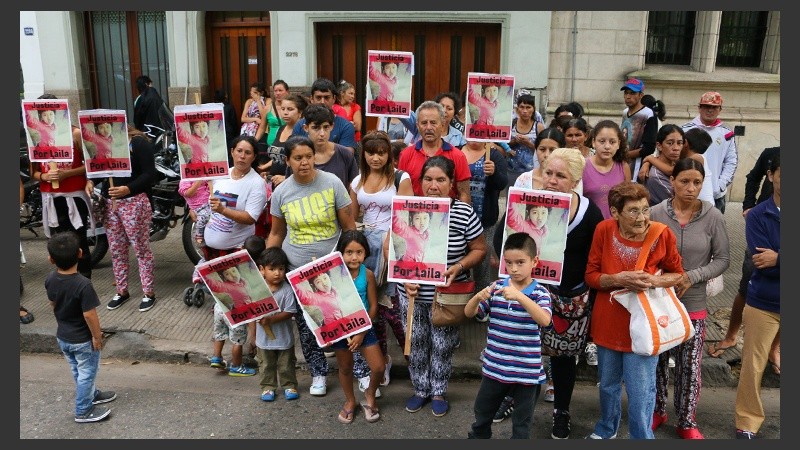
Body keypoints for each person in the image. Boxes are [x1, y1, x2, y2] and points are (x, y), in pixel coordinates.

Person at [493, 148, 605, 438]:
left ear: (576, 180)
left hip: (569, 299)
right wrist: (515, 274)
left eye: (561, 176)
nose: (552, 180)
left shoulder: (588, 212)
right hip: (528, 292)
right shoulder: (524, 203)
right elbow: (501, 238)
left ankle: (562, 411)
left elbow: (598, 253)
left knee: (563, 358)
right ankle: (510, 398)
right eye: (548, 173)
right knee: (519, 350)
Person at [584, 181, 684, 439]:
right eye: (633, 211)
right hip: (607, 322)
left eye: (645, 210)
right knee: (607, 385)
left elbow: (678, 275)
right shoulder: (603, 230)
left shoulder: (662, 234)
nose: (642, 218)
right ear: (615, 213)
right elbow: (591, 276)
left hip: (644, 325)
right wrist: (619, 279)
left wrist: (652, 281)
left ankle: (641, 437)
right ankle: (607, 429)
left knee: (641, 390)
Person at [267, 136, 356, 396]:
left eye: (309, 156)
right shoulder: (281, 192)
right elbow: (276, 233)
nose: (304, 162)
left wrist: (351, 262)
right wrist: (268, 267)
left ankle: (357, 371)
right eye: (298, 158)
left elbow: (349, 225)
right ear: (288, 161)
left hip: (333, 268)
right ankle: (318, 373)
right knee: (307, 325)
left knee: (345, 320)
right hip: (297, 270)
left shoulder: (332, 183)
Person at [399, 156, 487, 417]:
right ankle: (420, 389)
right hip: (413, 294)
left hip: (448, 294)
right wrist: (405, 278)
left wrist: (459, 267)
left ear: (451, 183)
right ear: (419, 181)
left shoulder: (463, 212)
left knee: (442, 344)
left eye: (440, 180)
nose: (433, 185)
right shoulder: (406, 209)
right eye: (428, 179)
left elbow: (480, 248)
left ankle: (438, 390)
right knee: (416, 343)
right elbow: (393, 248)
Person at [648, 157, 730, 439]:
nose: (690, 188)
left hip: (693, 304)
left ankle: (686, 421)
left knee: (690, 368)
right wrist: (665, 278)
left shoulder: (713, 216)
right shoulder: (654, 214)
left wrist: (691, 276)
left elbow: (722, 260)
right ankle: (656, 410)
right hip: (658, 301)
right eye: (684, 181)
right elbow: (644, 254)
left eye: (697, 182)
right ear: (672, 182)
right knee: (656, 363)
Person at [465, 232, 552, 439]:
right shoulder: (497, 289)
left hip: (527, 373)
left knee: (522, 425)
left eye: (520, 262)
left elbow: (545, 320)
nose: (514, 269)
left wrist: (520, 297)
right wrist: (478, 296)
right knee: (482, 415)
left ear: (534, 261)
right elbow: (470, 313)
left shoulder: (540, 293)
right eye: (509, 263)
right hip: (495, 368)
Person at [350, 131, 412, 386]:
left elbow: (408, 215)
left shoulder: (401, 178)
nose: (376, 157)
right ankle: (382, 360)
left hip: (393, 248)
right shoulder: (356, 182)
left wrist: (391, 239)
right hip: (367, 250)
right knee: (372, 306)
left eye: (381, 152)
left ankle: (413, 359)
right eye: (371, 152)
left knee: (394, 308)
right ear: (363, 154)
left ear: (389, 154)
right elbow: (354, 222)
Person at [708, 147, 780, 366]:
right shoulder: (771, 153)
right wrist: (749, 204)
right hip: (764, 225)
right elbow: (752, 177)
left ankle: (774, 348)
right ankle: (731, 335)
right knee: (746, 286)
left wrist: (779, 259)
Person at [45, 231, 117, 423]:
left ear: (51, 259)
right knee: (87, 373)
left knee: (78, 370)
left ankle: (91, 394)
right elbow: (89, 314)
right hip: (83, 340)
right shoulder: (83, 284)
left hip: (64, 337)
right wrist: (97, 337)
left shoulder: (50, 279)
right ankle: (83, 410)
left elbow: (53, 302)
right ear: (80, 253)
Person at [734, 153, 780, 440]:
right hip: (765, 302)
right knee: (753, 365)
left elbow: (775, 261)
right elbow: (762, 262)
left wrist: (781, 258)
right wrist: (774, 261)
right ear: (772, 175)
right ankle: (747, 422)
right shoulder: (758, 215)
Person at [92, 125, 158, 312]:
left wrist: (128, 189)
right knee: (116, 249)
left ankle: (149, 292)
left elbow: (150, 173)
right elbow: (98, 170)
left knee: (141, 248)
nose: (105, 130)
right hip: (110, 203)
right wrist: (91, 182)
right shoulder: (101, 145)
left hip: (134, 202)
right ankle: (122, 290)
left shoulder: (137, 143)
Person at [30, 94, 94, 280]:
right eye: (44, 115)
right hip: (51, 198)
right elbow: (33, 171)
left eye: (52, 114)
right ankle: (65, 281)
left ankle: (84, 282)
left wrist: (68, 173)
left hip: (74, 196)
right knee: (58, 243)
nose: (48, 118)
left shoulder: (74, 134)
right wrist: (43, 176)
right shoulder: (35, 137)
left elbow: (90, 164)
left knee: (79, 240)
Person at [332, 230, 385, 424]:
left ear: (365, 253)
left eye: (359, 252)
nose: (354, 257)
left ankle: (370, 394)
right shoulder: (333, 275)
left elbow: (373, 306)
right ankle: (350, 401)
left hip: (364, 326)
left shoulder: (368, 274)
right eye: (349, 252)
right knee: (345, 367)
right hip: (340, 328)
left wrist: (362, 332)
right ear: (341, 253)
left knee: (378, 366)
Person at [397, 101, 471, 202]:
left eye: (433, 122)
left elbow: (464, 194)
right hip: (416, 216)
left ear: (442, 124)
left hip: (448, 215)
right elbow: (401, 194)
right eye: (424, 123)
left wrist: (461, 216)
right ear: (417, 126)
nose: (428, 127)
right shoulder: (406, 155)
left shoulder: (458, 156)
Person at [461, 140, 508, 291]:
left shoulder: (494, 155)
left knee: (482, 269)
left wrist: (494, 173)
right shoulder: (456, 152)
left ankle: (481, 309)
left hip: (484, 223)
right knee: (460, 267)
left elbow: (502, 183)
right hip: (459, 222)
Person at [254, 247, 300, 402]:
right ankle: (268, 387)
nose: (277, 273)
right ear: (262, 270)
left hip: (284, 338)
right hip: (263, 340)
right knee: (266, 365)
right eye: (272, 269)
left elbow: (290, 311)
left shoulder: (287, 290)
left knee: (286, 364)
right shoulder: (258, 290)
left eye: (281, 269)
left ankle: (289, 385)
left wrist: (271, 320)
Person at [681, 92, 738, 213]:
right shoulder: (684, 129)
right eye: (706, 106)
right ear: (699, 108)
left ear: (720, 109)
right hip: (688, 192)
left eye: (714, 107)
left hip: (716, 195)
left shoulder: (727, 133)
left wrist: (720, 185)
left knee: (714, 230)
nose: (710, 110)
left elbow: (731, 161)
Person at [288, 105, 358, 193]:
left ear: (332, 127)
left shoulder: (345, 154)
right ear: (306, 128)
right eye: (315, 128)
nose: (322, 133)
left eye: (326, 127)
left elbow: (353, 188)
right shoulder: (296, 156)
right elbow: (290, 188)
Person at [292, 78, 357, 153]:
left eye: (327, 97)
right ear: (311, 99)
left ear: (334, 99)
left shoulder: (346, 126)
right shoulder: (300, 125)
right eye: (318, 97)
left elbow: (347, 156)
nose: (322, 102)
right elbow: (294, 153)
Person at [583, 120, 631, 219]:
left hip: (616, 225)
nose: (607, 146)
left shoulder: (623, 167)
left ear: (618, 144)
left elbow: (628, 199)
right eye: (602, 141)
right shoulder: (582, 166)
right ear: (593, 142)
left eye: (612, 142)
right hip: (589, 226)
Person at [259, 94, 308, 188]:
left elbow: (306, 163)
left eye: (290, 109)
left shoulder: (303, 132)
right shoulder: (280, 129)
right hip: (275, 184)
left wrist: (286, 177)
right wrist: (266, 170)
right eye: (283, 109)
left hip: (294, 185)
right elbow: (278, 158)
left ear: (300, 113)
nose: (285, 113)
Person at [619, 78, 658, 179]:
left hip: (637, 166)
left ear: (641, 95)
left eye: (632, 93)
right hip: (622, 162)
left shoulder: (648, 114)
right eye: (626, 93)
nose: (628, 97)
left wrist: (625, 155)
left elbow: (649, 147)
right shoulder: (625, 112)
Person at [639, 124, 686, 206]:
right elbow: (682, 202)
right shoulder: (656, 176)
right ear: (659, 146)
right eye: (670, 143)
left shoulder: (677, 162)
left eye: (679, 143)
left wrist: (649, 160)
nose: (676, 148)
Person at [506, 93, 545, 186]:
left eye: (528, 107)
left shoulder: (538, 126)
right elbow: (503, 144)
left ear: (533, 109)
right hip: (511, 169)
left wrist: (529, 144)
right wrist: (514, 141)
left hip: (532, 170)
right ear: (517, 109)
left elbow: (543, 148)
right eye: (522, 107)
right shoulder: (512, 124)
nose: (525, 111)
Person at [680, 128, 715, 204]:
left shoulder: (697, 158)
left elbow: (671, 170)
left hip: (704, 209)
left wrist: (649, 159)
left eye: (679, 143)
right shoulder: (699, 157)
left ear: (685, 143)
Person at [255, 81, 288, 149]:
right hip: (272, 145)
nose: (278, 93)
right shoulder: (267, 108)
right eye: (275, 91)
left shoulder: (292, 108)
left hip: (287, 144)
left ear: (287, 92)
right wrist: (254, 141)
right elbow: (262, 128)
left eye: (280, 90)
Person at [178, 179, 211, 245]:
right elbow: (188, 193)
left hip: (209, 203)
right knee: (204, 217)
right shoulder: (185, 180)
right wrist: (199, 180)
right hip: (199, 207)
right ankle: (199, 235)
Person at [213, 89, 239, 153]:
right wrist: (236, 135)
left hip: (217, 134)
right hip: (229, 134)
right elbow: (234, 122)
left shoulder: (212, 107)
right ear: (225, 96)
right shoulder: (229, 107)